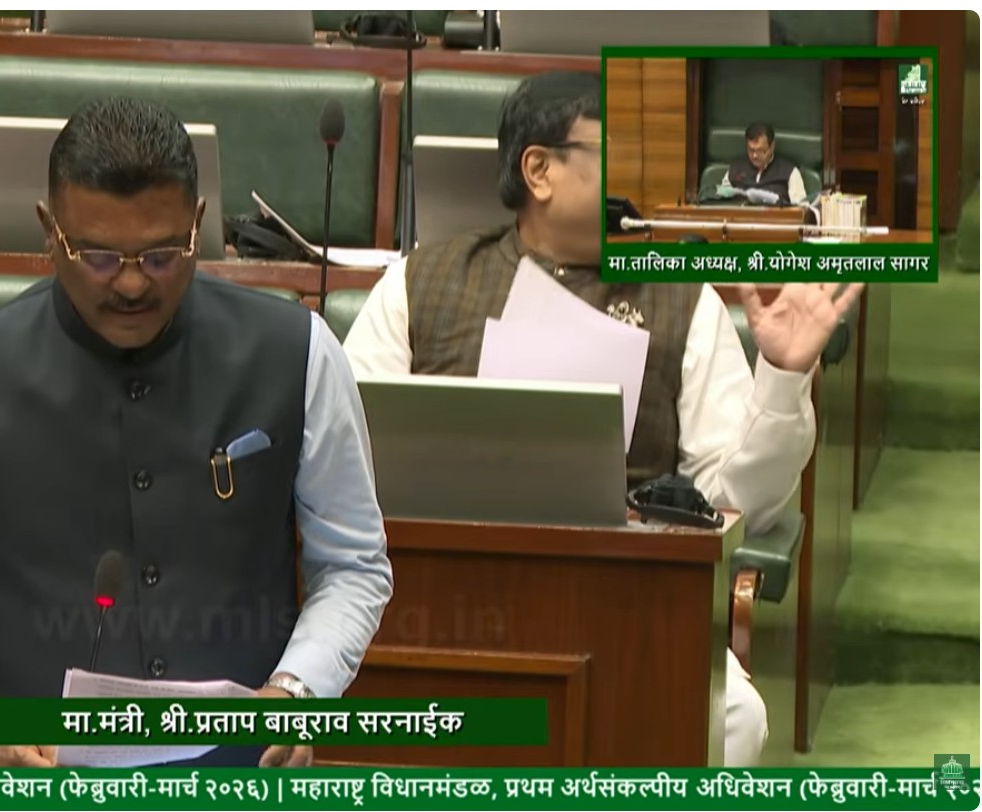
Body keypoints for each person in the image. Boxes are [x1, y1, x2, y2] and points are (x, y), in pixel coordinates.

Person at [342, 71, 861, 767]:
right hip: (436, 596)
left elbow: (740, 502)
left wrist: (784, 374)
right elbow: (341, 461)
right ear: (539, 170)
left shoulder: (682, 300)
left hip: (623, 602)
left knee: (730, 716)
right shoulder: (421, 282)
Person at [0, 96, 394, 769]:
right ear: (46, 230)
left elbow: (352, 565)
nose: (127, 285)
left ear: (198, 225)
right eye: (94, 255)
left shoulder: (299, 355)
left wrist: (299, 688)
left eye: (159, 256)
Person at [719, 121, 808, 205]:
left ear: (772, 146)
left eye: (760, 150)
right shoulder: (735, 169)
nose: (754, 156)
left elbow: (801, 209)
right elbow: (721, 203)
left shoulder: (790, 172)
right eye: (751, 150)